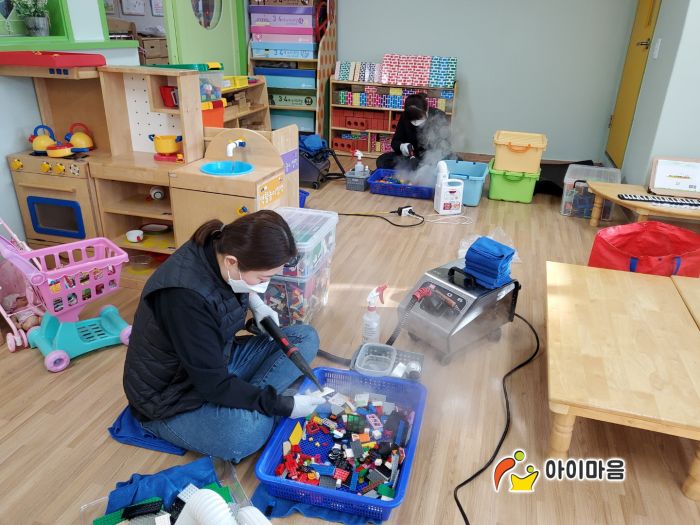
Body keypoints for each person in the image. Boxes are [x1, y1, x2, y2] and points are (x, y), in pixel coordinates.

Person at [122, 211, 322, 462]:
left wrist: (256, 304)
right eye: (263, 278)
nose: (265, 284)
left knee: (305, 337)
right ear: (232, 262)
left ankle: (245, 399)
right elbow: (212, 384)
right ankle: (248, 402)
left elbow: (224, 289)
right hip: (169, 397)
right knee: (245, 434)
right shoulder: (184, 299)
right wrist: (284, 405)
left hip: (215, 359)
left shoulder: (219, 243)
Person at [376, 92, 454, 171]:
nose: (416, 122)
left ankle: (418, 170)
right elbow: (395, 142)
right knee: (382, 160)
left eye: (419, 118)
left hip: (433, 158)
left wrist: (431, 160)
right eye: (412, 120)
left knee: (451, 160)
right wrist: (402, 146)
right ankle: (414, 170)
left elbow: (446, 145)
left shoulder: (439, 116)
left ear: (426, 109)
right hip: (411, 158)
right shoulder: (405, 117)